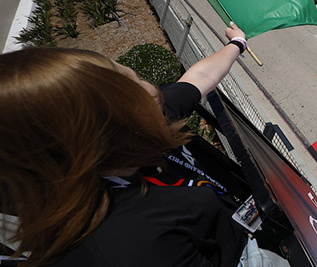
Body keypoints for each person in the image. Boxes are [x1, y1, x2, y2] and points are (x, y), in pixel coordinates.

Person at [0, 23, 268, 266]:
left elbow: (199, 78)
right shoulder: (133, 247)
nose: (153, 89)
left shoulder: (143, 124)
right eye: (136, 87)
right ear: (102, 136)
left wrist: (237, 43)